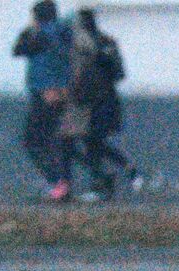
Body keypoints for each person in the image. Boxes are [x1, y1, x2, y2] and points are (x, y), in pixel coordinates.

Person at [67, 8, 139, 201]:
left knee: (91, 141)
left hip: (99, 101)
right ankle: (122, 169)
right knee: (88, 141)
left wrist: (101, 60)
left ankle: (102, 185)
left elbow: (118, 73)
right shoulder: (84, 44)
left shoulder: (101, 44)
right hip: (87, 101)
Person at [12, 0, 73, 201]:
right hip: (62, 93)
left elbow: (18, 50)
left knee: (33, 142)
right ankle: (64, 182)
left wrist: (31, 31)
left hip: (45, 94)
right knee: (58, 140)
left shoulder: (41, 36)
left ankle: (58, 183)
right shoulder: (65, 32)